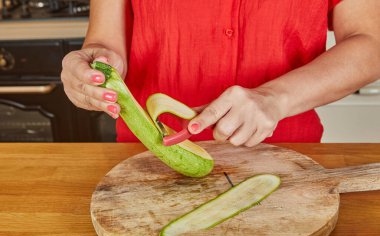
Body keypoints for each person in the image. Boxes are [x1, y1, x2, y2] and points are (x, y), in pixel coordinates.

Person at [61, 0, 380, 147]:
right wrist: (93, 68)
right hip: (150, 155)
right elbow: (104, 43)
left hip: (285, 152)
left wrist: (273, 98)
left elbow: (370, 43)